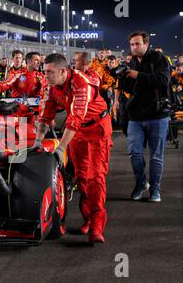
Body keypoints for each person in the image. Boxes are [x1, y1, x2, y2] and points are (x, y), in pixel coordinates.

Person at [35, 53, 112, 244]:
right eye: (44, 72)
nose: (46, 76)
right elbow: (45, 115)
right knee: (81, 177)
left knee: (96, 178)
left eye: (50, 72)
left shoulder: (81, 82)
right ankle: (89, 218)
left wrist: (61, 147)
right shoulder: (51, 86)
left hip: (97, 130)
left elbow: (76, 117)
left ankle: (96, 225)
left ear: (63, 71)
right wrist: (38, 140)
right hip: (77, 134)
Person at [118, 30, 171, 203]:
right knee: (134, 153)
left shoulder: (158, 58)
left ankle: (155, 188)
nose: (134, 47)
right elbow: (128, 89)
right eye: (132, 44)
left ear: (146, 44)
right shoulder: (131, 62)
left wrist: (138, 75)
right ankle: (141, 183)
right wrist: (122, 77)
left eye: (137, 44)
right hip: (135, 116)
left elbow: (163, 80)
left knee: (156, 156)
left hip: (158, 114)